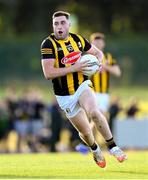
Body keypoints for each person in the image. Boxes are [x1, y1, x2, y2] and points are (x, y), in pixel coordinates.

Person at [40, 11, 127, 168]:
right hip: (64, 95)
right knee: (86, 132)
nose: (59, 27)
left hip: (82, 85)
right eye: (56, 24)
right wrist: (75, 67)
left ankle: (113, 146)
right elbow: (48, 73)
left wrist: (99, 63)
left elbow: (98, 53)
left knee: (94, 112)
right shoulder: (48, 44)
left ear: (69, 24)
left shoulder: (78, 40)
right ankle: (94, 149)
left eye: (62, 23)